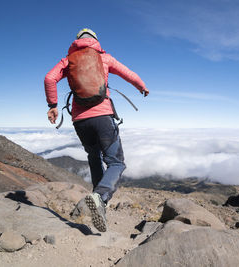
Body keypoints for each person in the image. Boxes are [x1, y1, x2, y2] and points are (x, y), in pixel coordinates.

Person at [44, 28, 149, 232]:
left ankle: (97, 196)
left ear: (77, 41)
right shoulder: (104, 58)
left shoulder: (68, 60)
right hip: (102, 117)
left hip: (80, 121)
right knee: (116, 163)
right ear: (95, 41)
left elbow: (49, 78)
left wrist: (52, 105)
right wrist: (142, 86)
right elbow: (128, 74)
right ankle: (100, 197)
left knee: (93, 155)